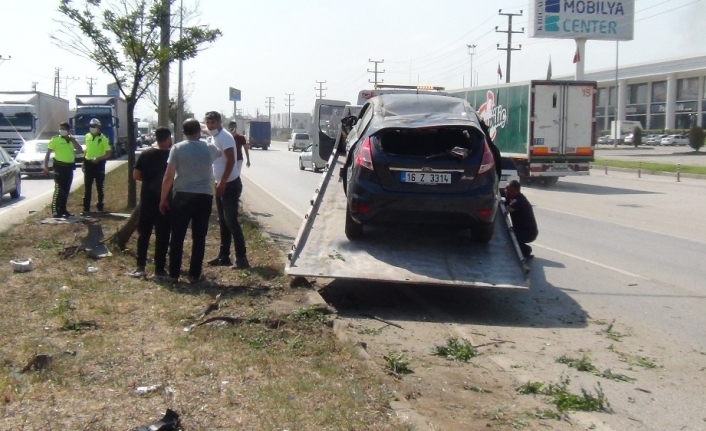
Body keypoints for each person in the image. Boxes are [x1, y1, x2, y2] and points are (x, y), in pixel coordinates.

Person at [160, 118, 221, 283]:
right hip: (203, 196)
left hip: (182, 195)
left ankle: (174, 273)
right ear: (199, 131)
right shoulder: (209, 148)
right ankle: (194, 274)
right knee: (199, 237)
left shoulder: (177, 148)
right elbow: (220, 152)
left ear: (183, 132)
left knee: (178, 235)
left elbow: (168, 175)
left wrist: (163, 198)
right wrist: (208, 132)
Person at [206, 112, 250, 269]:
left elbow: (231, 160)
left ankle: (242, 258)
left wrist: (223, 182)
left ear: (219, 122)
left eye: (213, 122)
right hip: (220, 183)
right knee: (223, 222)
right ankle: (224, 256)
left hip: (230, 184)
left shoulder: (224, 137)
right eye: (208, 122)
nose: (211, 125)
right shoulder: (213, 137)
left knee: (231, 221)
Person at [129, 127, 173, 279]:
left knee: (144, 233)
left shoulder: (146, 154)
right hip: (166, 199)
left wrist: (149, 182)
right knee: (163, 234)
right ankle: (159, 269)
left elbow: (136, 175)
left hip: (147, 198)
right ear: (168, 138)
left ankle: (140, 266)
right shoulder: (172, 155)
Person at [43, 122, 84, 218]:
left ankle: (63, 209)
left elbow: (80, 150)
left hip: (69, 168)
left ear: (68, 130)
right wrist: (45, 166)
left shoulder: (71, 140)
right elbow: (48, 153)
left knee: (66, 189)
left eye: (63, 129)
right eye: (60, 128)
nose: (61, 130)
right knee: (58, 189)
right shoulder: (55, 139)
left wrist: (73, 141)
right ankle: (55, 210)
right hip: (59, 167)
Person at [82, 118, 112, 214]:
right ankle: (86, 208)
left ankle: (100, 207)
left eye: (94, 126)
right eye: (91, 126)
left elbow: (108, 153)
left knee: (100, 187)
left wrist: (98, 159)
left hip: (99, 164)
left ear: (99, 127)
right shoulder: (87, 136)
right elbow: (86, 151)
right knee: (87, 187)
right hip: (88, 163)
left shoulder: (103, 138)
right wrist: (83, 163)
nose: (92, 128)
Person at [505, 180, 538, 261]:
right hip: (523, 230)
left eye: (507, 188)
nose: (505, 190)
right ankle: (523, 249)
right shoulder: (515, 198)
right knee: (511, 234)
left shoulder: (519, 201)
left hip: (528, 233)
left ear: (514, 190)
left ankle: (526, 251)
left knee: (509, 237)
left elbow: (506, 210)